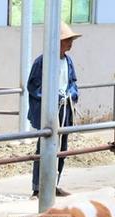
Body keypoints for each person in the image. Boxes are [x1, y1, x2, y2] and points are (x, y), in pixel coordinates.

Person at [28, 21, 81, 199]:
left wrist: (71, 94)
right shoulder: (42, 62)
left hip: (65, 109)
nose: (70, 43)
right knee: (44, 147)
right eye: (66, 40)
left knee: (62, 146)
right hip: (51, 110)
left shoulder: (68, 61)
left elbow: (73, 82)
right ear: (56, 42)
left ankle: (54, 184)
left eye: (70, 40)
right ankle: (38, 187)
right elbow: (33, 87)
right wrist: (51, 98)